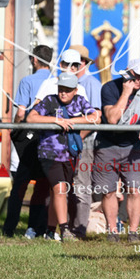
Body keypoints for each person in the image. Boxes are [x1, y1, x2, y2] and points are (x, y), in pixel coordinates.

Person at [91, 59, 140, 242]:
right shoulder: (109, 88)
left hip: (133, 147)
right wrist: (126, 92)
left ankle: (133, 232)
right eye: (137, 76)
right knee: (108, 191)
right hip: (107, 146)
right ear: (127, 73)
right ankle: (112, 231)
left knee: (134, 190)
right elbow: (112, 118)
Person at [27, 73, 99, 241]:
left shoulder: (80, 101)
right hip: (49, 153)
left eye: (67, 90)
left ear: (75, 90)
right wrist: (56, 120)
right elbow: (31, 117)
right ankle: (65, 230)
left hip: (70, 154)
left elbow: (96, 117)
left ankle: (51, 231)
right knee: (60, 189)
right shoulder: (49, 100)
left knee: (57, 192)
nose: (63, 93)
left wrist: (72, 121)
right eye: (61, 89)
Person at [3, 45, 53, 238]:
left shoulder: (27, 81)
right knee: (42, 185)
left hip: (30, 137)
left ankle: (9, 227)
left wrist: (17, 128)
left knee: (21, 183)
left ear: (34, 59)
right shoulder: (55, 81)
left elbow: (21, 112)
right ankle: (37, 227)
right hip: (48, 137)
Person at [67, 44, 102, 238]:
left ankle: (79, 228)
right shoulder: (65, 83)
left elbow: (96, 117)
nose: (71, 65)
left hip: (84, 142)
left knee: (81, 185)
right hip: (67, 141)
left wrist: (77, 138)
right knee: (66, 184)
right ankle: (67, 225)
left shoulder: (91, 84)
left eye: (75, 61)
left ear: (83, 63)